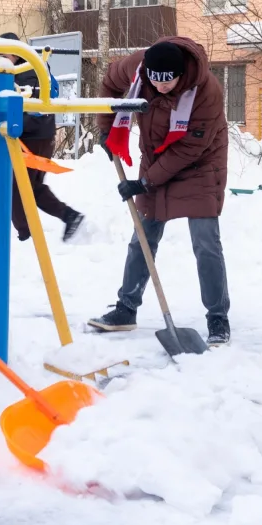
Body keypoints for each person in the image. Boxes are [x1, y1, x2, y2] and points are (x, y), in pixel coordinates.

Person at [87, 37, 232, 345]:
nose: (160, 85)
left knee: (206, 241)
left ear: (181, 74)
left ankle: (218, 317)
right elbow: (110, 83)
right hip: (155, 158)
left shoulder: (207, 91)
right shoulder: (138, 66)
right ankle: (126, 308)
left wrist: (146, 182)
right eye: (154, 79)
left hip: (201, 163)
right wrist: (105, 127)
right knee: (142, 235)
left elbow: (191, 148)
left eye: (168, 80)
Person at [0, 32, 84, 244]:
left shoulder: (27, 71)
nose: (1, 59)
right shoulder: (26, 68)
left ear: (13, 51)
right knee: (30, 186)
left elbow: (30, 105)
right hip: (36, 134)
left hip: (35, 136)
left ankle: (27, 232)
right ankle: (66, 216)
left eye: (2, 54)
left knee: (20, 186)